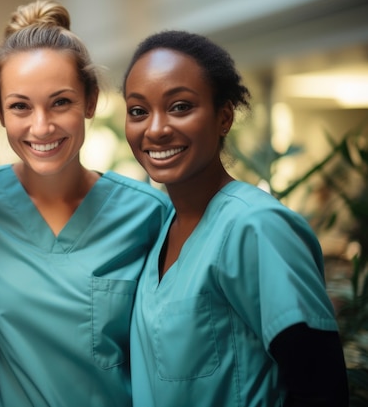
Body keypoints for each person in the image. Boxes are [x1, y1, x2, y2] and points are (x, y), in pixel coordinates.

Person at [0, 0, 172, 407]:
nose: (41, 126)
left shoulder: (148, 213)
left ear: (91, 101)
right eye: (20, 106)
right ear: (1, 114)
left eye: (60, 102)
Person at [123, 30, 349, 406]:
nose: (156, 128)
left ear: (224, 117)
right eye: (138, 110)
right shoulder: (165, 229)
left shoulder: (256, 226)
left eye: (180, 106)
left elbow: (320, 387)